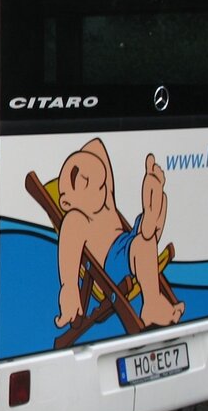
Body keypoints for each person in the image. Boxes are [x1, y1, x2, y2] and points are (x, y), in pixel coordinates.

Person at [54, 138, 184, 329]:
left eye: (103, 185)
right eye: (97, 187)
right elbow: (68, 252)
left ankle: (151, 216)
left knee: (143, 234)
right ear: (66, 203)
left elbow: (96, 145)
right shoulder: (76, 219)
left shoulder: (104, 202)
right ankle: (152, 305)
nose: (105, 190)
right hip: (112, 265)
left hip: (126, 240)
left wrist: (86, 161)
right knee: (143, 243)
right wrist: (69, 289)